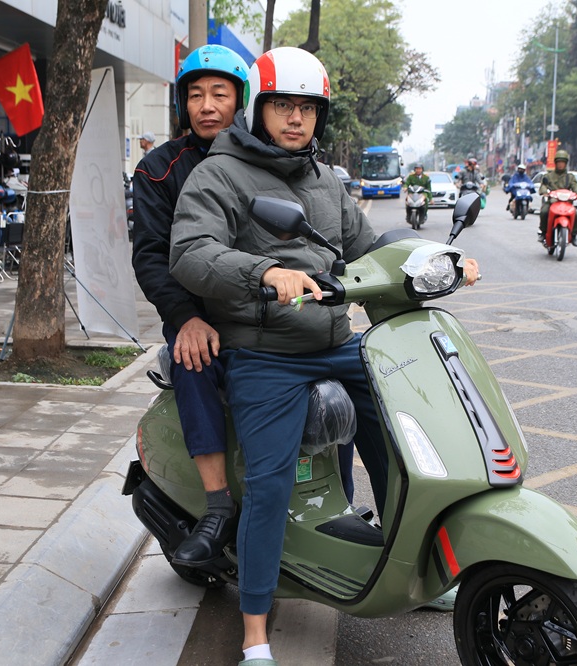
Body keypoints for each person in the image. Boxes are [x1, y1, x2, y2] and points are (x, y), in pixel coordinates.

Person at [170, 47, 480, 666]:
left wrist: (435, 261)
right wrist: (265, 272)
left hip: (338, 343)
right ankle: (255, 632)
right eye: (283, 106)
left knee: (406, 436)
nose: (296, 119)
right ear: (258, 110)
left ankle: (412, 564)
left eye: (308, 108)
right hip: (267, 353)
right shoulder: (219, 175)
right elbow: (190, 252)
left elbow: (368, 248)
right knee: (269, 483)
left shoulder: (324, 180)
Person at [131, 44, 251, 570]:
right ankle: (217, 505)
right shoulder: (159, 169)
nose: (207, 105)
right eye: (196, 94)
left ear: (241, 101)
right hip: (198, 315)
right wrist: (185, 318)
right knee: (193, 360)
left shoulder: (264, 159)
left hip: (263, 313)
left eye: (219, 94)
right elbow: (150, 255)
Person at [537, 149, 577, 246]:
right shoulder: (548, 176)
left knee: (576, 214)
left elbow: (575, 187)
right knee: (544, 212)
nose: (561, 165)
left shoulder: (570, 177)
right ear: (556, 163)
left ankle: (574, 235)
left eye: (563, 162)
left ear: (566, 164)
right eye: (559, 162)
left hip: (567, 203)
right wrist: (544, 192)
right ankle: (543, 232)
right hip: (552, 202)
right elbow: (543, 185)